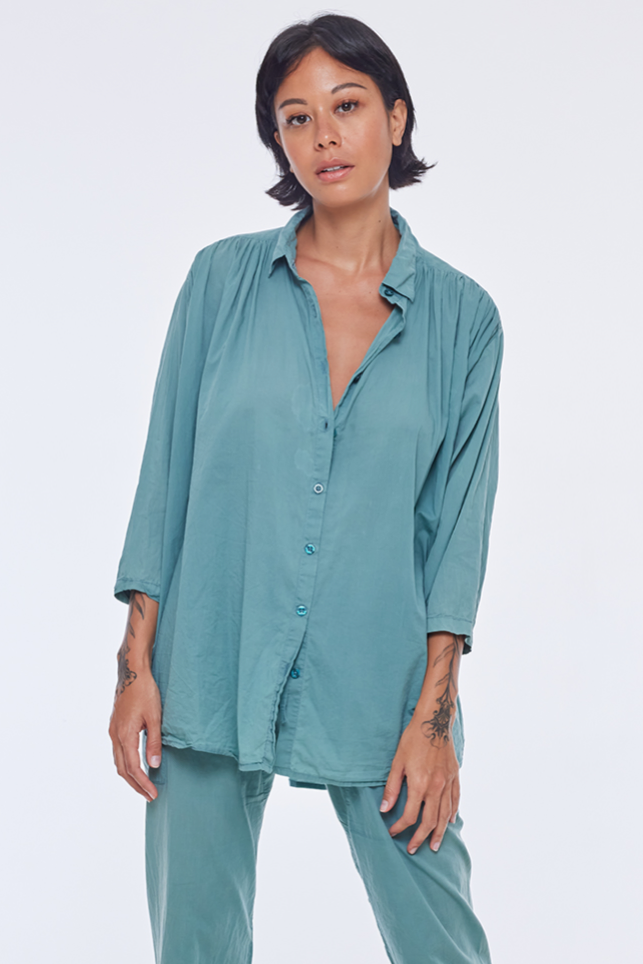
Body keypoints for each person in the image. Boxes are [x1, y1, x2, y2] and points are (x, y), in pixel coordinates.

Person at [108, 13, 504, 964]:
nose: (324, 135)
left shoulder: (463, 320)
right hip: (211, 658)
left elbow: (455, 535)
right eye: (296, 117)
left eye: (347, 105)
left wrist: (434, 723)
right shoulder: (220, 282)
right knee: (194, 946)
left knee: (440, 943)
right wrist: (134, 670)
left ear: (395, 118)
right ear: (279, 141)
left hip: (384, 681)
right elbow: (165, 477)